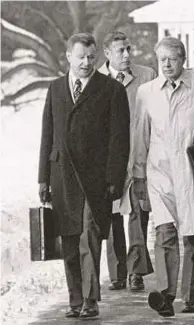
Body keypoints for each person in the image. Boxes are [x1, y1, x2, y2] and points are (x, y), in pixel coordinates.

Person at [38, 33, 130, 318]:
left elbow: (119, 139)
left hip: (95, 179)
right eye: (81, 57)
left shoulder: (112, 90)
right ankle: (74, 300)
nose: (87, 63)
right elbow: (47, 135)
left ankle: (90, 300)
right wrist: (42, 177)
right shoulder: (55, 89)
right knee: (69, 240)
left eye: (91, 57)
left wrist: (114, 178)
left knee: (89, 237)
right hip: (61, 175)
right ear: (68, 56)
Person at [132, 36, 194, 317]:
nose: (167, 64)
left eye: (173, 59)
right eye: (162, 59)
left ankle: (189, 297)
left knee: (193, 234)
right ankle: (166, 295)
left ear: (183, 60)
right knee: (164, 233)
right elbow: (141, 136)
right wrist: (139, 176)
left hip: (193, 172)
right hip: (160, 173)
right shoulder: (147, 92)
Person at [98, 31, 157, 292]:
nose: (126, 54)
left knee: (137, 214)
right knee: (110, 216)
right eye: (120, 50)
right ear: (107, 53)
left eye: (128, 49)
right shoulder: (96, 79)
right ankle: (117, 272)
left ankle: (136, 271)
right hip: (108, 158)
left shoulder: (146, 76)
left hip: (138, 154)